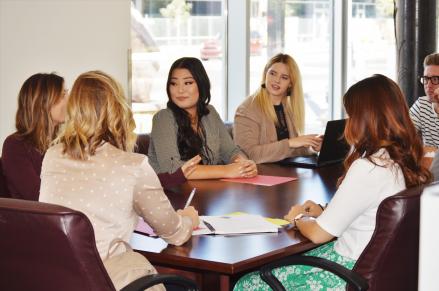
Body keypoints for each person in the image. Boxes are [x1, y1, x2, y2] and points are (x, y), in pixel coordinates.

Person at [233, 74, 431, 291]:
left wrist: (299, 216)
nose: (348, 123)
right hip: (380, 271)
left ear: (366, 119)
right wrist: (323, 211)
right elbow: (371, 212)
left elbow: (318, 234)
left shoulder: (369, 167)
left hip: (349, 272)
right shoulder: (401, 162)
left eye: (351, 115)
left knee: (247, 283)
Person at [39, 71, 199, 290]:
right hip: (108, 280)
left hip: (60, 279)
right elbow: (175, 234)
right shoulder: (132, 166)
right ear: (118, 111)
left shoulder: (52, 156)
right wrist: (188, 219)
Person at [148, 57, 257, 182]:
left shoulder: (210, 113)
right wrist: (227, 170)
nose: (180, 90)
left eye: (188, 83)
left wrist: (245, 165)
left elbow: (230, 151)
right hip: (170, 196)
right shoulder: (163, 118)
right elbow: (173, 169)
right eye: (174, 83)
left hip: (207, 193)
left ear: (201, 84)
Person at [233, 53, 322, 164]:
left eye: (284, 77)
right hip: (261, 177)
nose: (276, 80)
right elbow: (249, 155)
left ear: (291, 84)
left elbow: (288, 151)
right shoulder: (247, 109)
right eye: (273, 73)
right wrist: (290, 142)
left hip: (284, 173)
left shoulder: (287, 108)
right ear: (266, 74)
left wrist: (311, 147)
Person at [2, 73, 67, 200]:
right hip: (36, 218)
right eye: (62, 95)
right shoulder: (15, 146)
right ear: (42, 103)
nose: (69, 99)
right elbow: (37, 196)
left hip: (64, 215)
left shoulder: (64, 142)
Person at [409, 52, 439, 148]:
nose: (428, 85)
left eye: (435, 79)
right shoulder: (422, 104)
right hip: (430, 162)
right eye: (426, 79)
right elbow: (403, 132)